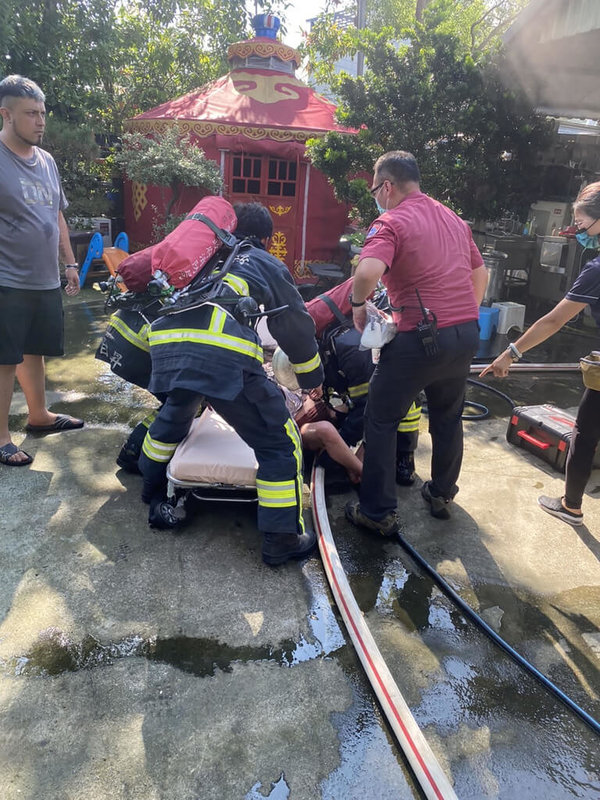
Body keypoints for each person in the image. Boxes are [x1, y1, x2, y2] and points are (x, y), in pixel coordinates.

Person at [139, 201, 324, 566]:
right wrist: (313, 378)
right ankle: (280, 539)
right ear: (267, 239)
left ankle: (152, 491)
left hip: (168, 350)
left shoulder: (203, 256)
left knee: (175, 417)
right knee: (279, 442)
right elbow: (295, 327)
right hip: (222, 358)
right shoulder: (264, 262)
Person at [345, 150, 488, 534]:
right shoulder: (454, 219)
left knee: (381, 419)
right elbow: (480, 273)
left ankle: (376, 513)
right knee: (447, 415)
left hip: (420, 337)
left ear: (387, 186)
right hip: (465, 334)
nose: (376, 196)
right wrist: (462, 315)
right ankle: (441, 493)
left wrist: (359, 307)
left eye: (375, 189)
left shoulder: (391, 221)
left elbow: (368, 271)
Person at [480, 181, 600, 527]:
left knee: (587, 430)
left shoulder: (595, 271)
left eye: (582, 225)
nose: (578, 232)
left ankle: (571, 506)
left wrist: (510, 353)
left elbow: (554, 320)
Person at [0, 75, 83, 467]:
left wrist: (69, 263)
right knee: (4, 358)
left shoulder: (46, 161)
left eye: (43, 114)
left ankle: (39, 416)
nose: (40, 121)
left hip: (44, 278)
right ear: (6, 114)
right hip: (6, 279)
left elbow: (57, 215)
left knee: (36, 351)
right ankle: (1, 437)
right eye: (31, 114)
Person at [306, 277, 423, 486]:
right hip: (381, 375)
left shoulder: (350, 351)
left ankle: (405, 456)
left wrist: (343, 444)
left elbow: (365, 408)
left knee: (403, 405)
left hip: (404, 376)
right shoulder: (331, 342)